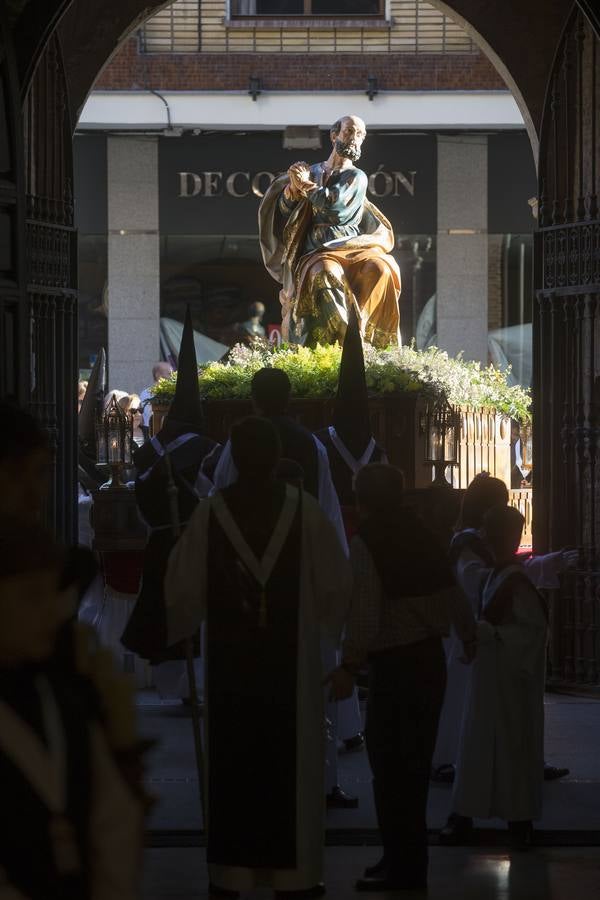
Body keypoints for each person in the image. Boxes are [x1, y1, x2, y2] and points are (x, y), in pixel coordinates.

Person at [165, 416, 351, 899]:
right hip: (293, 667)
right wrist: (333, 637)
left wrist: (183, 621)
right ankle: (295, 877)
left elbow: (181, 587)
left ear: (235, 459)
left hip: (231, 671)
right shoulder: (306, 511)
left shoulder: (210, 513)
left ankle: (233, 875)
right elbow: (336, 585)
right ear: (272, 458)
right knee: (294, 767)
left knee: (235, 767)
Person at [326, 464, 476, 892]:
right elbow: (452, 591)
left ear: (362, 500)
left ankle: (403, 867)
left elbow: (366, 613)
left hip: (394, 668)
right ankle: (403, 861)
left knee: (390, 775)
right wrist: (467, 633)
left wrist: (349, 666)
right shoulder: (425, 533)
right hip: (430, 663)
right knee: (413, 774)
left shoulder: (368, 542)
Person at [212, 367, 355, 805]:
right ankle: (321, 782)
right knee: (308, 688)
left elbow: (216, 502)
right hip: (302, 585)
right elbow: (330, 515)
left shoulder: (234, 450)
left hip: (241, 589)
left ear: (252, 401)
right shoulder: (312, 446)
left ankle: (247, 782)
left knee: (246, 689)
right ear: (290, 400)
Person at [0, 522, 143, 900]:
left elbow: (111, 825)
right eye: (31, 596)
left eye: (53, 596)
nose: (50, 612)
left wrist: (123, 745)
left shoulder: (64, 700)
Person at [122, 307, 219, 701]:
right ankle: (189, 690)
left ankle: (178, 687)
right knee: (188, 610)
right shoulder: (207, 449)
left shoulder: (152, 449)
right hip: (194, 544)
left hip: (160, 544)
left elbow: (138, 492)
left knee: (166, 607)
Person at [450, 505, 549, 850]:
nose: (492, 544)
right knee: (478, 748)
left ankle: (518, 821)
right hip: (489, 677)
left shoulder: (515, 582)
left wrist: (492, 636)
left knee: (510, 750)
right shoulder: (497, 575)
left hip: (509, 683)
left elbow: (532, 634)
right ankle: (464, 815)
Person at [259, 114, 401, 347]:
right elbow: (287, 213)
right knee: (324, 271)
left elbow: (336, 208)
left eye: (360, 135)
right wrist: (291, 193)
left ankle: (372, 339)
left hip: (351, 245)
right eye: (349, 132)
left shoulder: (356, 176)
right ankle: (347, 341)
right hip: (317, 249)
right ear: (334, 135)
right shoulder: (312, 171)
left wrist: (303, 184)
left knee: (381, 268)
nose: (354, 139)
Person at [139, 361, 174, 442]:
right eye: (169, 373)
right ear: (158, 375)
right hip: (151, 433)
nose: (172, 377)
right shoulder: (146, 394)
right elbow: (148, 416)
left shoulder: (173, 392)